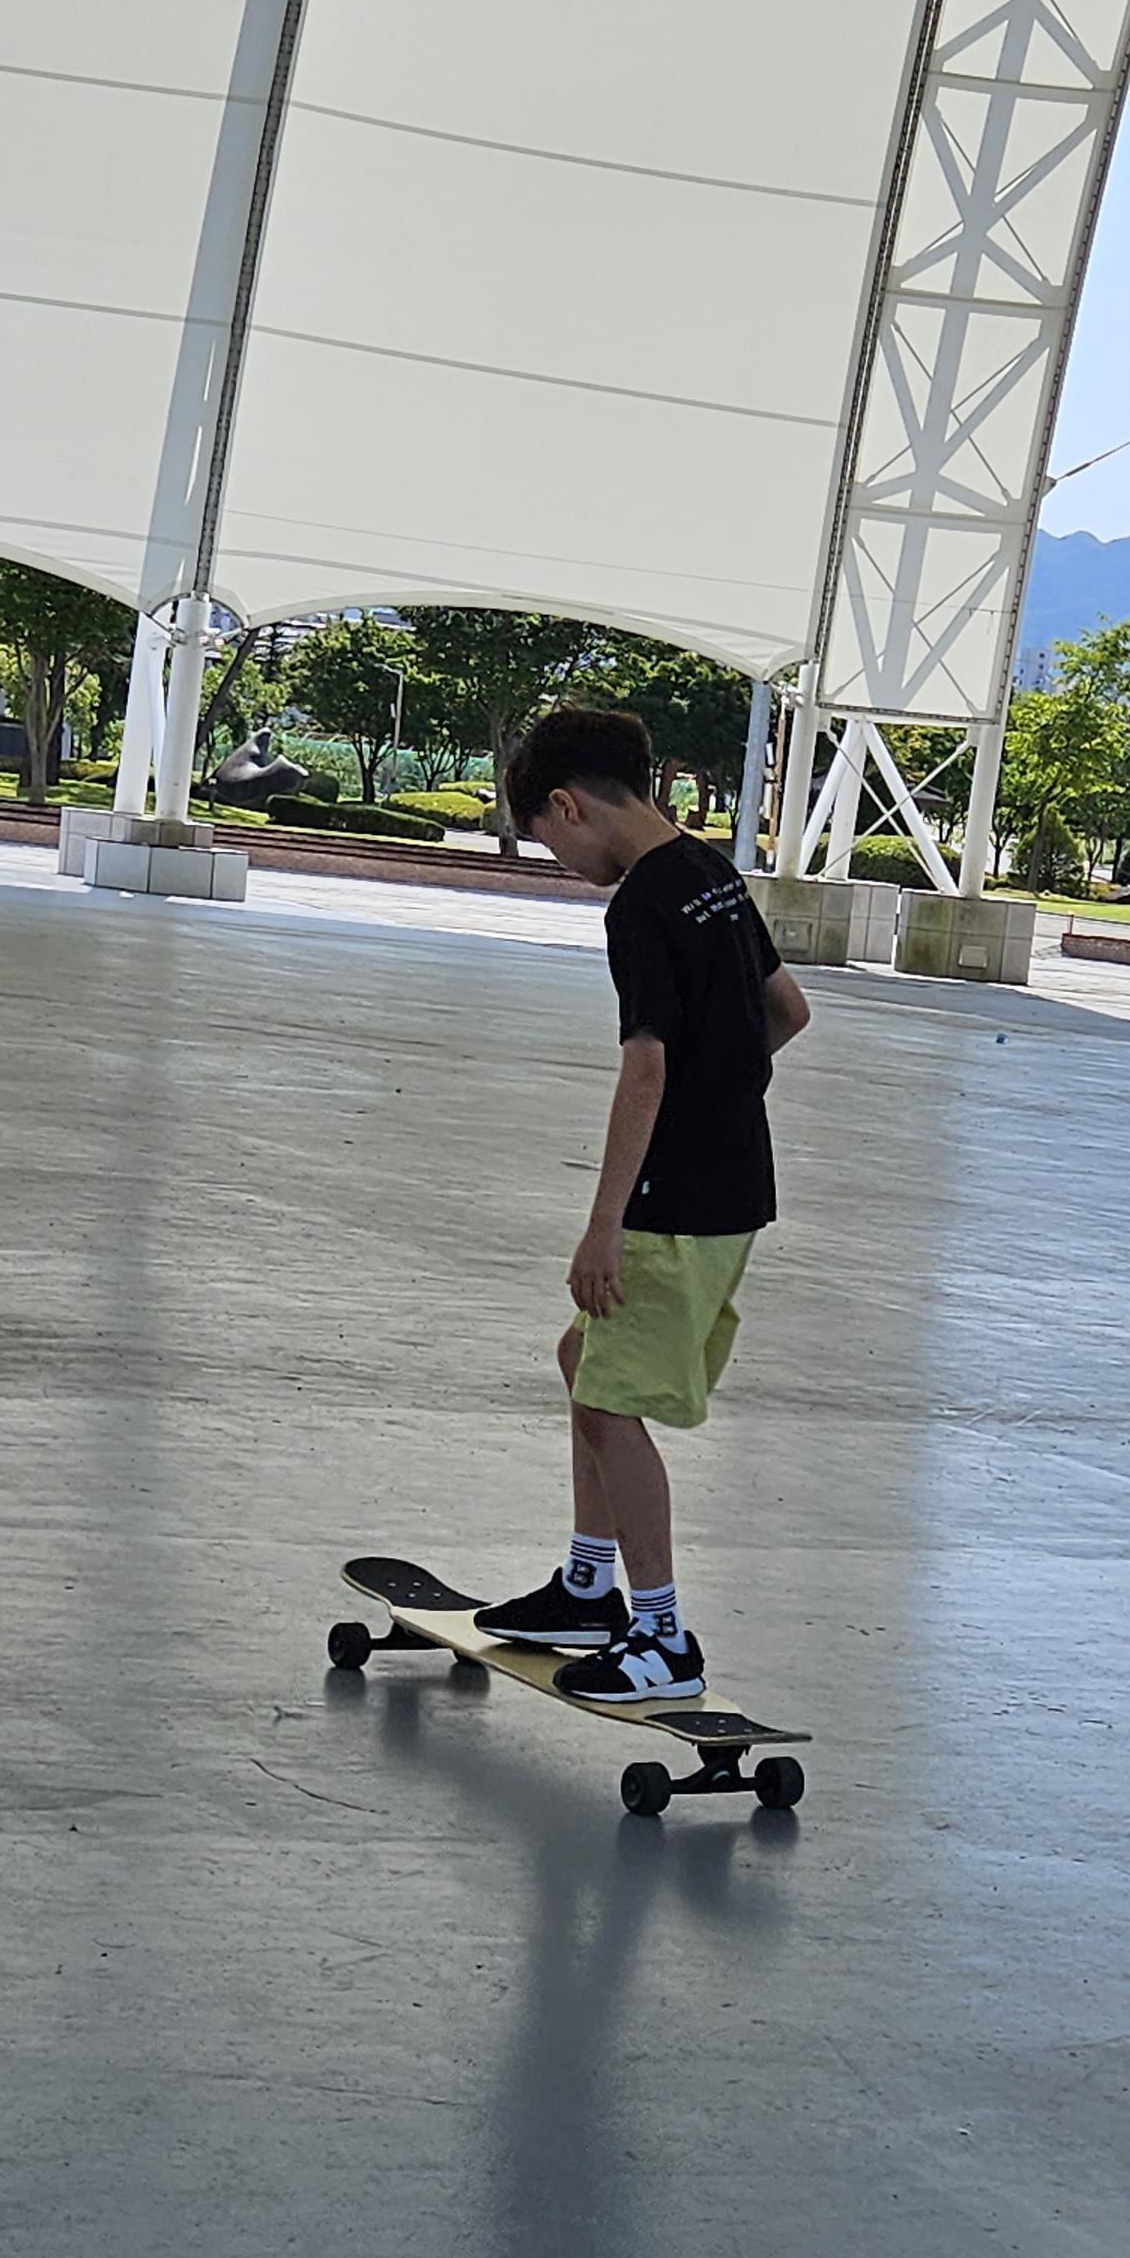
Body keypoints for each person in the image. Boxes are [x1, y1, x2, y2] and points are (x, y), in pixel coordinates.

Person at [474, 704, 808, 1700]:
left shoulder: (641, 905)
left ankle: (661, 1635)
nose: (563, 860)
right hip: (739, 1184)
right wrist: (724, 1090)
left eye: (549, 839)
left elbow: (646, 1073)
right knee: (585, 1360)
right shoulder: (711, 870)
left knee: (613, 1399)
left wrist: (602, 1222)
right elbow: (787, 1012)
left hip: (673, 1202)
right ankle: (589, 1584)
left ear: (569, 806)